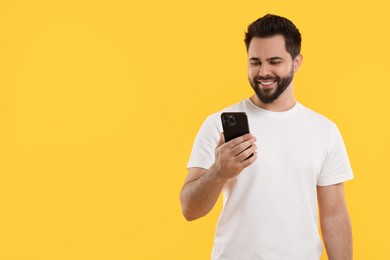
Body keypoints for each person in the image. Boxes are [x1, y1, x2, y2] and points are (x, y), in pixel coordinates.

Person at [180, 14, 354, 260]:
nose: (263, 72)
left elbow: (334, 214)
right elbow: (190, 209)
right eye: (255, 62)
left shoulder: (324, 130)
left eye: (274, 61)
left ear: (296, 62)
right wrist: (219, 172)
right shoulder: (218, 124)